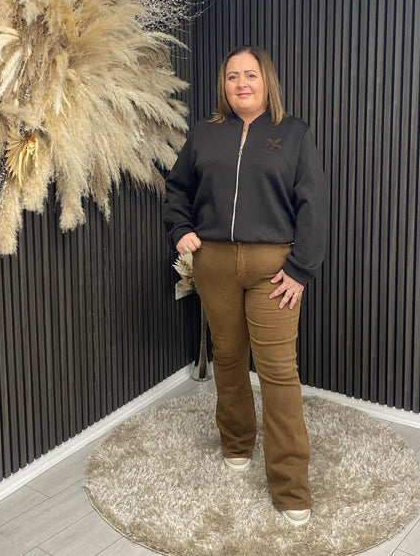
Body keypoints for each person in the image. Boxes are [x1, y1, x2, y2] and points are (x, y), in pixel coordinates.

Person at [163, 45, 327, 526]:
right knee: (229, 358)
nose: (241, 84)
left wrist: (301, 269)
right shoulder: (205, 133)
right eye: (232, 76)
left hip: (273, 270)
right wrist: (180, 229)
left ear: (265, 80)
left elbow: (313, 204)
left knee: (278, 372)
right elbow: (177, 188)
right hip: (213, 263)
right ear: (224, 84)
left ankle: (291, 485)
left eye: (250, 75)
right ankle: (236, 441)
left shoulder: (293, 133)